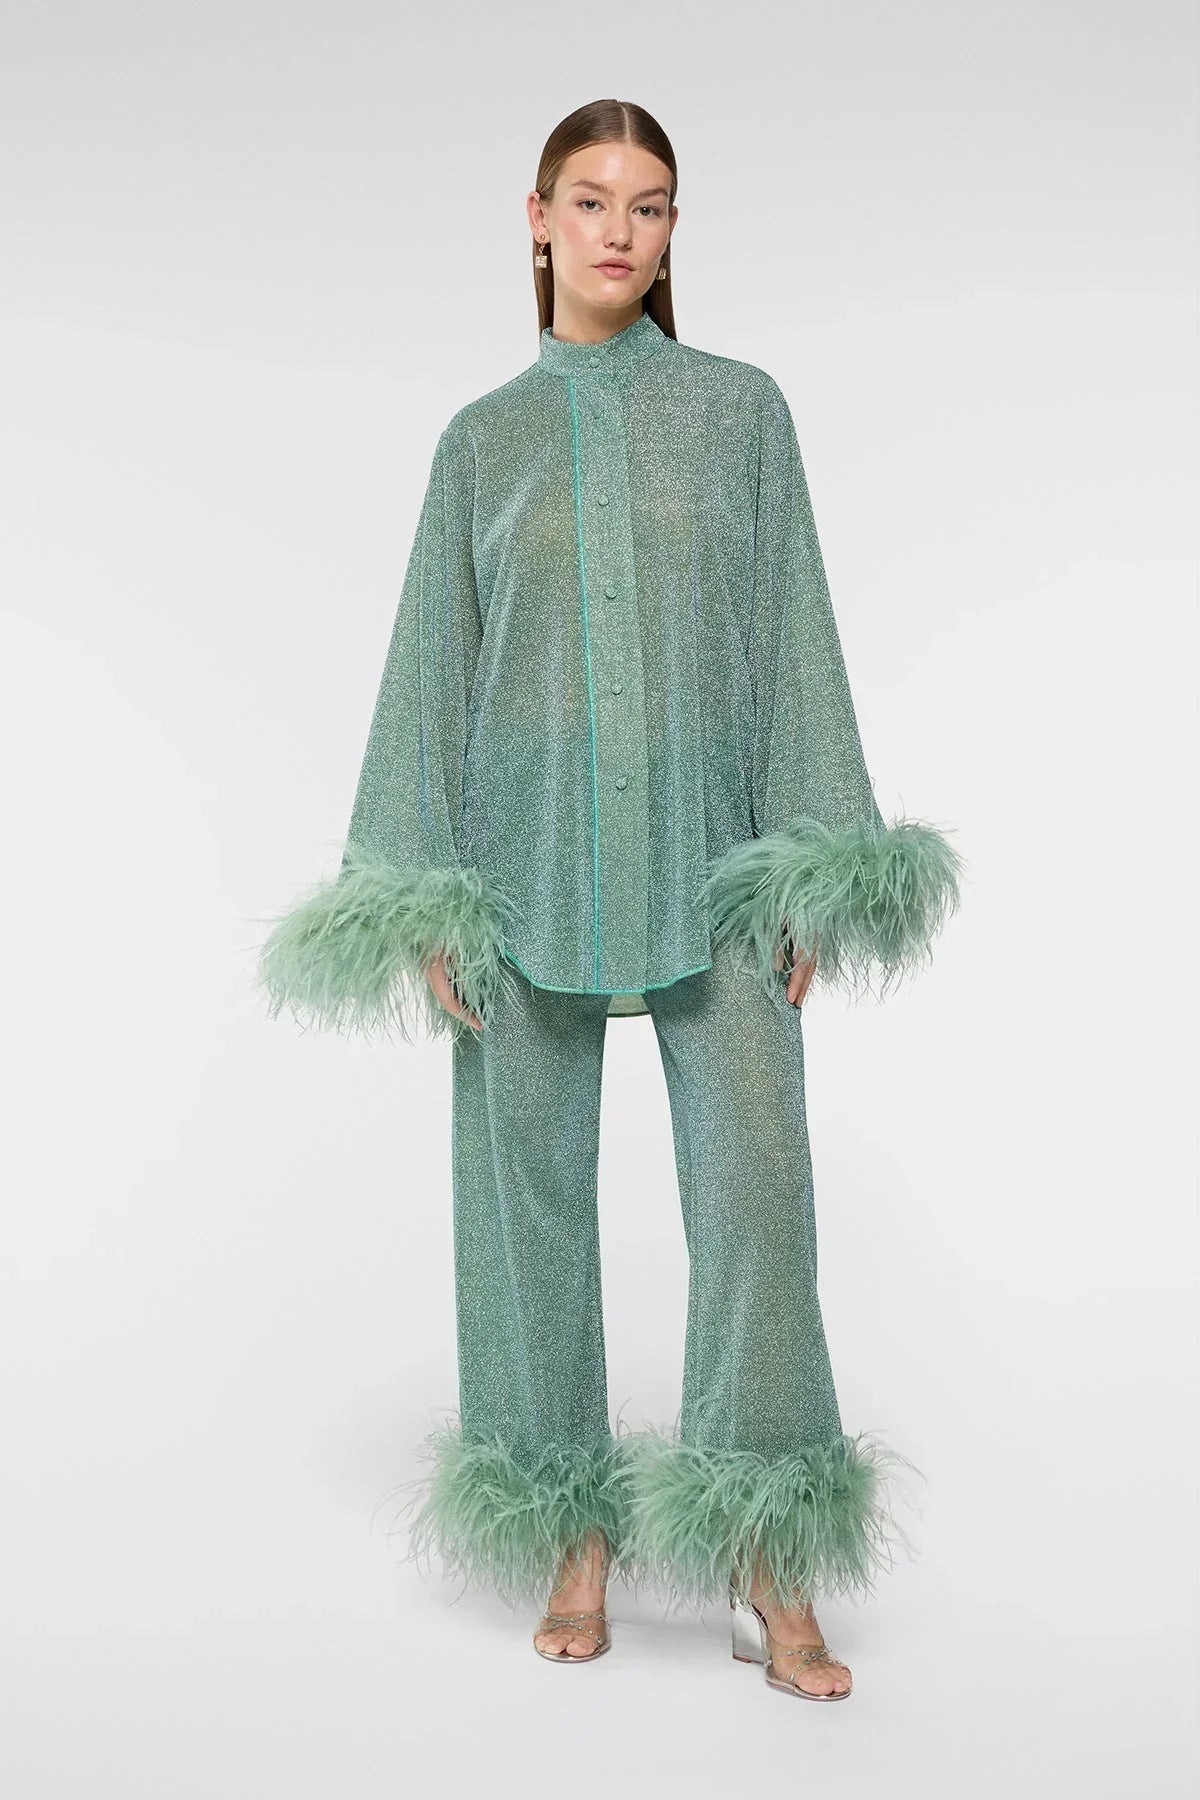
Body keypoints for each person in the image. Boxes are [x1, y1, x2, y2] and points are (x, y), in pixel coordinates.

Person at [255, 98, 964, 1702]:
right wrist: (422, 895)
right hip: (520, 868)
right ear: (536, 219)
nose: (619, 232)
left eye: (649, 206)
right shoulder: (481, 441)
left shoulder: (742, 415)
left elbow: (793, 634)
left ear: (673, 231)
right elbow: (431, 669)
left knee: (759, 1198)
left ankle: (766, 1547)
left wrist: (810, 856)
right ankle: (567, 1524)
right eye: (590, 201)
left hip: (715, 864)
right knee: (523, 1203)